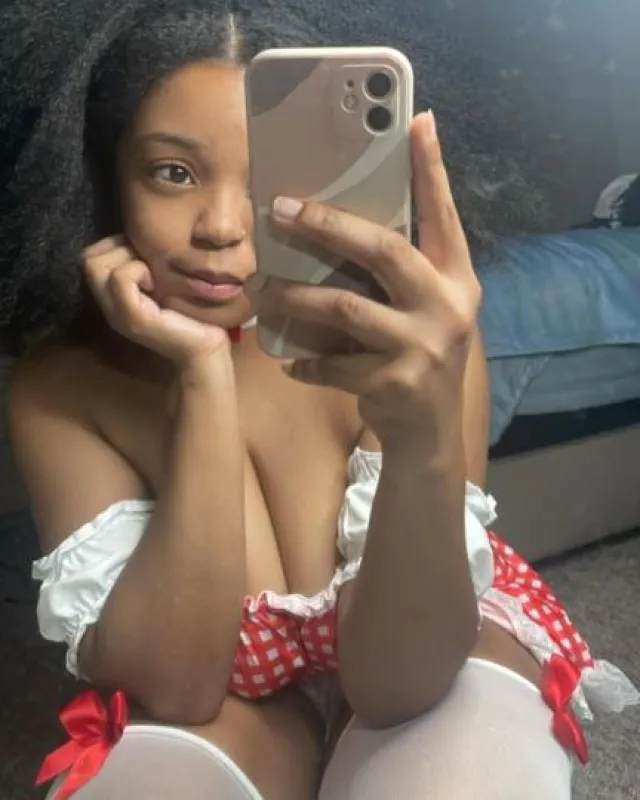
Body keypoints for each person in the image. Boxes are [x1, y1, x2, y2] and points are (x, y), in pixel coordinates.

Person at [1, 0, 637, 797]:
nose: (221, 226)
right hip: (225, 698)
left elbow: (397, 683)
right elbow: (181, 689)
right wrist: (203, 376)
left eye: (267, 179)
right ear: (103, 174)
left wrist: (420, 434)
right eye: (174, 172)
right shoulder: (60, 387)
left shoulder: (401, 339)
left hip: (422, 643)